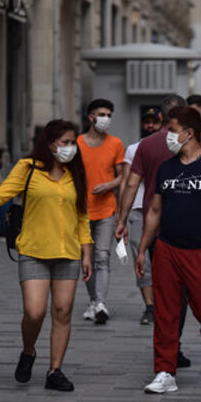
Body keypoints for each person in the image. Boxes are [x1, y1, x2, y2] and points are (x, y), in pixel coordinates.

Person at [0, 120, 93, 392]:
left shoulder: (76, 172)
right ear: (50, 143)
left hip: (68, 253)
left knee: (63, 311)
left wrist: (87, 253)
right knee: (34, 312)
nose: (70, 147)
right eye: (65, 142)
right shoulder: (27, 168)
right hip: (34, 251)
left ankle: (55, 370)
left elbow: (82, 216)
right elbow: (1, 195)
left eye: (73, 142)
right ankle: (28, 350)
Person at [135, 106, 201, 394]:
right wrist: (142, 248)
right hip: (167, 248)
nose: (166, 134)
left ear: (189, 133)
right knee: (165, 313)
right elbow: (154, 211)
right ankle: (165, 371)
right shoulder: (166, 167)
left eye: (171, 129)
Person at [116, 94, 201, 369]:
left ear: (161, 117)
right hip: (191, 230)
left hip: (155, 228)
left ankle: (167, 347)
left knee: (164, 292)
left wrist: (121, 219)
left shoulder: (145, 145)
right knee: (182, 294)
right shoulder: (199, 143)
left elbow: (131, 184)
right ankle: (174, 345)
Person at [77, 99, 125, 325]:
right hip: (81, 211)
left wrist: (109, 185)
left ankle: (100, 303)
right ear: (91, 117)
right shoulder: (77, 144)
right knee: (85, 258)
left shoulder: (115, 143)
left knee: (102, 256)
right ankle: (93, 301)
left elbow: (122, 176)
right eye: (102, 114)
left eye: (109, 115)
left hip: (106, 209)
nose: (106, 118)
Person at [121, 110, 161, 325]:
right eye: (147, 122)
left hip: (163, 209)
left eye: (154, 122)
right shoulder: (134, 149)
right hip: (138, 209)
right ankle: (150, 306)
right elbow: (128, 181)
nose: (150, 126)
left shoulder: (169, 147)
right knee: (141, 257)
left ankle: (166, 303)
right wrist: (122, 216)